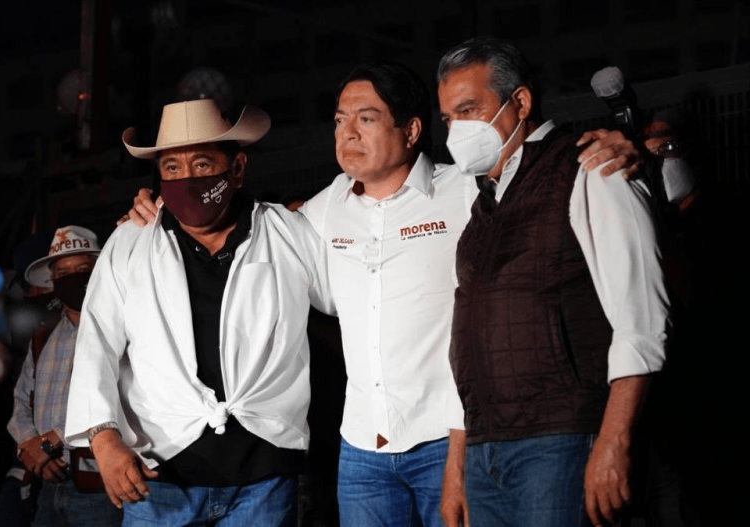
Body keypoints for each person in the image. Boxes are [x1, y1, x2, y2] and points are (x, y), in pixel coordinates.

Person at [128, 65, 641, 527]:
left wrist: (619, 146)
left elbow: (545, 176)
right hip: (361, 453)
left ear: (411, 130)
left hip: (451, 440)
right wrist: (159, 209)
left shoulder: (467, 191)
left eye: (366, 119)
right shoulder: (317, 214)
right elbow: (229, 227)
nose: (347, 133)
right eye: (339, 120)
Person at [64, 99, 331, 526]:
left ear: (237, 169)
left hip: (264, 477)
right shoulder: (130, 242)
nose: (186, 179)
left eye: (203, 164)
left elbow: (348, 298)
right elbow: (96, 343)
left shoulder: (288, 232)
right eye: (171, 168)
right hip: (159, 479)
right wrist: (103, 438)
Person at [437, 36, 669, 527]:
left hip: (562, 442)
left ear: (519, 102)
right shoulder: (480, 202)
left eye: (469, 110)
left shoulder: (593, 167)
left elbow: (643, 320)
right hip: (486, 451)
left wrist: (614, 440)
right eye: (448, 118)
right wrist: (458, 466)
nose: (457, 129)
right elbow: (467, 342)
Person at [6, 225, 121, 527]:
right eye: (62, 273)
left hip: (102, 483)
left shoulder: (122, 326)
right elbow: (22, 398)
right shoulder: (45, 334)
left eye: (83, 270)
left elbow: (126, 400)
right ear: (52, 281)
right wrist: (31, 446)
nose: (73, 279)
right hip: (48, 482)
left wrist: (49, 441)